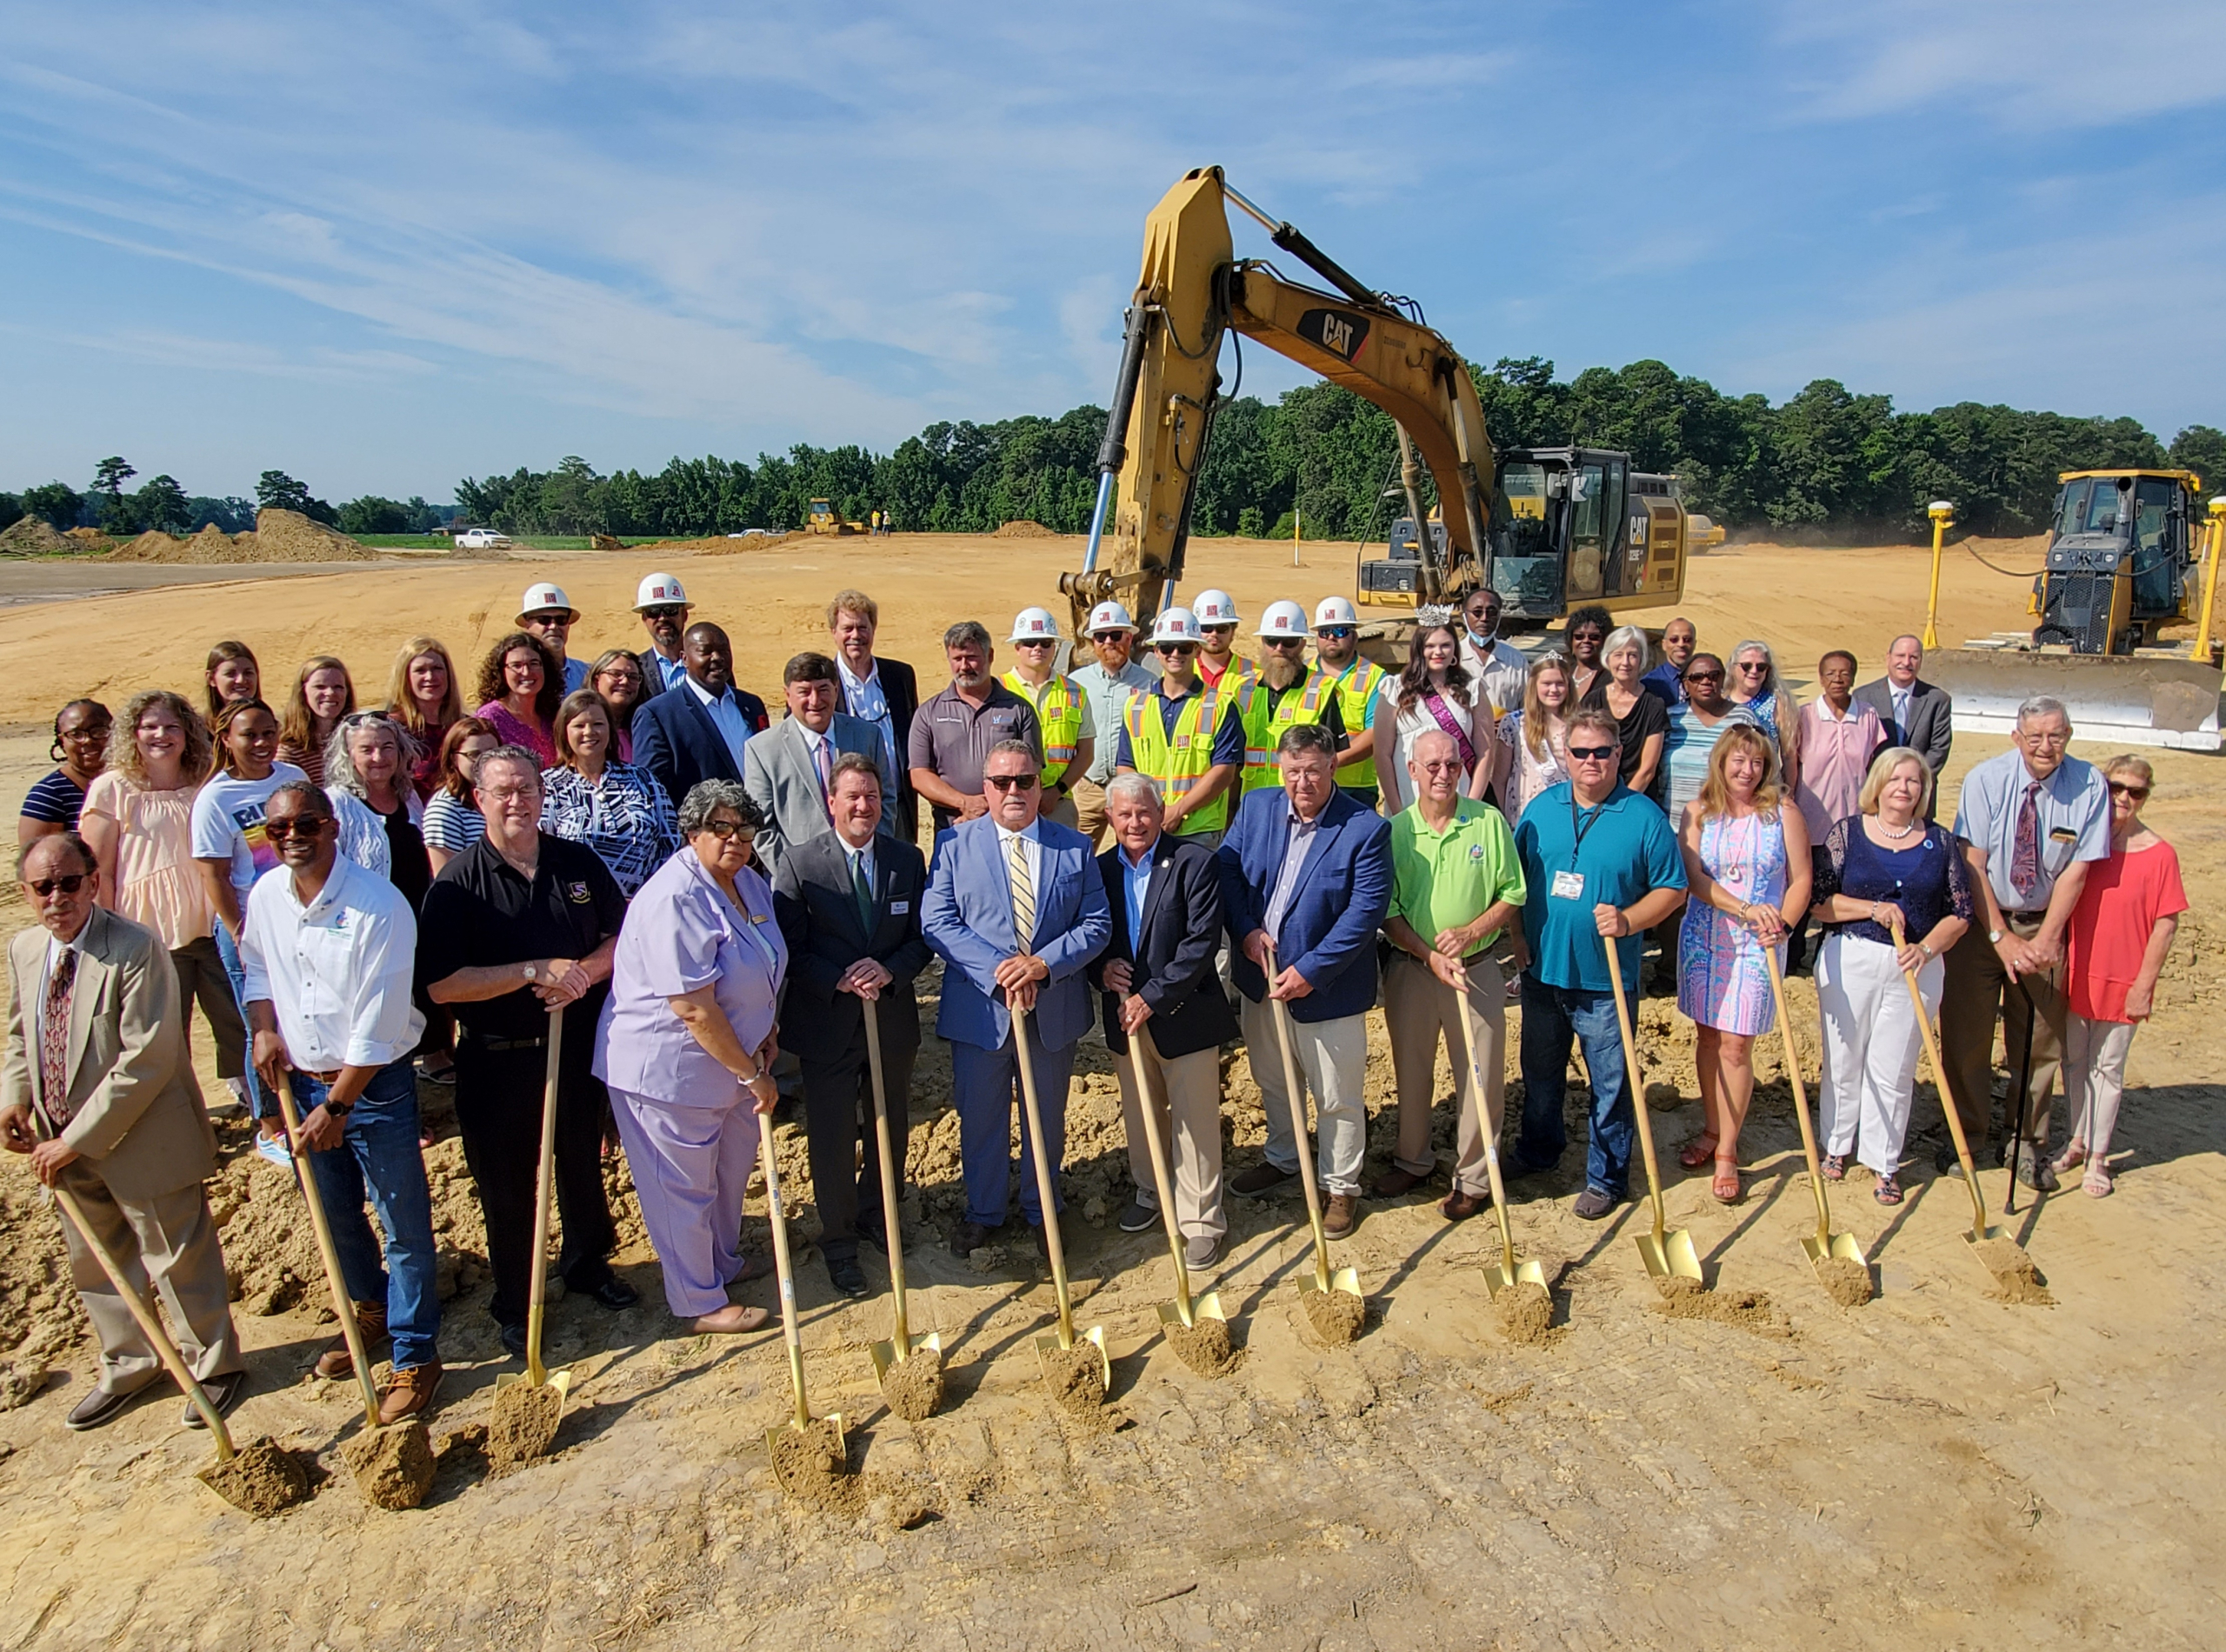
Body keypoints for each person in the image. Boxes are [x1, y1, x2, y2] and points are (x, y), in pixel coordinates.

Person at [3, 833, 247, 1432]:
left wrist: (76, 1138)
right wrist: (14, 1098)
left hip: (142, 1138)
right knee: (97, 1262)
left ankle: (213, 1366)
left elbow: (149, 1056)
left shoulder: (135, 948)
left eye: (69, 883)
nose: (57, 897)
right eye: (44, 888)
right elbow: (17, 1033)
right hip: (61, 1141)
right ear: (26, 894)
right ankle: (133, 1363)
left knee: (176, 1257)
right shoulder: (26, 949)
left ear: (93, 882)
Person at [420, 747, 636, 1361]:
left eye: (527, 790)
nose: (517, 802)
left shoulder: (576, 862)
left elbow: (622, 936)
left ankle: (588, 1265)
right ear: (480, 800)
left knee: (580, 1163)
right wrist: (527, 971)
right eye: (503, 792)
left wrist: (582, 976)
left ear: (543, 796)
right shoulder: (458, 883)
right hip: (496, 1062)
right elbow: (440, 984)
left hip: (572, 1051)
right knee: (508, 1186)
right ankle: (516, 1301)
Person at [240, 783, 441, 1421]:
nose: (291, 836)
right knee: (334, 1215)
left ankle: (416, 1356)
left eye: (305, 824)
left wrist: (340, 1105)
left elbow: (379, 1023)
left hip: (372, 1088)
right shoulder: (268, 895)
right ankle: (371, 1307)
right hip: (300, 1083)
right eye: (278, 829)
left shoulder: (379, 906)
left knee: (402, 1224)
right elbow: (258, 970)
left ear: (331, 828)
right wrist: (265, 1026)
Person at [595, 782, 785, 1333]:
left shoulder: (749, 881)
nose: (735, 840)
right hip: (669, 1070)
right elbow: (694, 1008)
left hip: (735, 1061)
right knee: (682, 1185)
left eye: (744, 829)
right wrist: (751, 1074)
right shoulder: (675, 898)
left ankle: (720, 1263)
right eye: (720, 828)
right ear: (693, 832)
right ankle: (699, 1300)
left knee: (727, 1174)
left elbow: (764, 962)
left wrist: (767, 1026)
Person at [922, 739, 1110, 1259]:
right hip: (982, 1012)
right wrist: (1000, 970)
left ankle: (1041, 1209)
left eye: (1024, 781)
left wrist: (1043, 964)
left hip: (1052, 1008)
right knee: (980, 1117)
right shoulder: (954, 847)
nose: (1013, 791)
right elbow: (937, 921)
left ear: (1039, 784)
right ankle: (983, 1210)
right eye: (1002, 782)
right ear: (985, 787)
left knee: (1046, 1118)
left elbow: (1096, 923)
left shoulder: (1073, 847)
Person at [1511, 708, 1688, 1218]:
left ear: (1618, 755)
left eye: (1602, 752)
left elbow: (1673, 888)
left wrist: (1630, 920)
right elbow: (1515, 885)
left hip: (1607, 980)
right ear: (1565, 756)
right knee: (1540, 1074)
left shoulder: (1644, 818)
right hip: (1544, 972)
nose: (1591, 761)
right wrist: (1518, 936)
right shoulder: (1542, 810)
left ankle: (1606, 1177)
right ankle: (1539, 1152)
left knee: (1610, 1083)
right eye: (1580, 752)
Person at [1219, 723, 1393, 1238]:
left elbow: (1366, 912)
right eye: (1293, 771)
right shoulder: (1255, 808)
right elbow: (1228, 872)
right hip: (1262, 979)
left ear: (1333, 767)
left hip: (1328, 991)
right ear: (1280, 769)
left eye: (1314, 771)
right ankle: (1284, 1155)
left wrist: (1311, 971)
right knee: (1274, 1079)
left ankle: (1341, 1187)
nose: (1303, 782)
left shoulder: (1364, 828)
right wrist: (1247, 932)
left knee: (1337, 1094)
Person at [772, 756, 933, 1297]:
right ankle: (838, 1239)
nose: (863, 806)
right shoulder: (799, 866)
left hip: (889, 1020)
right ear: (831, 801)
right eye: (852, 797)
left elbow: (922, 938)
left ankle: (879, 1215)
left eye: (871, 796)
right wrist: (838, 978)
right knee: (834, 1135)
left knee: (890, 1125)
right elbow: (790, 949)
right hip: (827, 1025)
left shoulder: (907, 860)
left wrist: (890, 970)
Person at [1940, 696, 2110, 1187]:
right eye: (2034, 737)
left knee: (2038, 1045)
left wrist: (2048, 938)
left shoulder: (2088, 785)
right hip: (1981, 924)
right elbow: (1973, 861)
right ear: (2016, 738)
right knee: (1966, 1038)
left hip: (2045, 925)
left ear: (2069, 736)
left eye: (2055, 736)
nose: (2045, 746)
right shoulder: (1986, 780)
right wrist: (2000, 935)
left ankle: (2025, 1141)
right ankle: (1968, 1136)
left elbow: (2078, 869)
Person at [1809, 748, 1972, 1203]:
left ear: (1924, 790)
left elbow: (1960, 913)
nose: (1904, 788)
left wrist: (1927, 947)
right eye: (1896, 779)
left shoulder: (1939, 843)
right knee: (1844, 1060)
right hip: (1852, 958)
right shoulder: (1848, 834)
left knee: (1894, 1068)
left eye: (1914, 781)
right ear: (1878, 783)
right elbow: (1820, 903)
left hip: (1914, 967)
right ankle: (1837, 1146)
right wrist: (1873, 909)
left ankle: (1883, 1161)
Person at [1091, 772, 1239, 1265]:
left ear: (1161, 813)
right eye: (1124, 814)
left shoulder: (1195, 863)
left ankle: (1201, 1219)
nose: (1135, 822)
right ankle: (1151, 1190)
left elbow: (1200, 944)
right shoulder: (1100, 872)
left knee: (1195, 1122)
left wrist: (1151, 997)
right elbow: (1092, 934)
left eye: (1144, 812)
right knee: (1141, 1114)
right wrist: (1102, 969)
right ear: (1110, 818)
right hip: (1125, 1019)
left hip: (1186, 1014)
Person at [1377, 730, 1526, 1219]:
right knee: (1412, 1070)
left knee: (1480, 1076)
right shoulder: (1397, 832)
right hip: (1413, 971)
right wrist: (1428, 953)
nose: (1443, 774)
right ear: (1412, 771)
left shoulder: (1487, 822)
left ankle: (1475, 1178)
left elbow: (1512, 891)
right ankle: (1413, 1159)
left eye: (1451, 764)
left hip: (1476, 969)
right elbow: (1390, 911)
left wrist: (1469, 933)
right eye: (1432, 766)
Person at [81, 691, 249, 1096]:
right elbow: (99, 872)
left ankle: (257, 1104)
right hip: (148, 935)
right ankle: (183, 1115)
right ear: (133, 734)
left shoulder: (204, 780)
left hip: (211, 925)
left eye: (172, 726)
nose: (162, 735)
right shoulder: (112, 789)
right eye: (150, 727)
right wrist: (107, 935)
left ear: (188, 732)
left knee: (235, 1021)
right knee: (166, 1033)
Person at [1674, 724, 1811, 1202]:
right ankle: (1711, 1129)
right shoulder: (1697, 812)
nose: (1746, 770)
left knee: (1736, 1044)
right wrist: (1742, 908)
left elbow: (1801, 880)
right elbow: (1692, 876)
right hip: (1705, 938)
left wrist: (1783, 925)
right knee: (1708, 1036)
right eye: (1738, 760)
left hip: (1760, 944)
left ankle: (1728, 1150)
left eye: (1755, 762)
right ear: (1721, 761)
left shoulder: (1782, 813)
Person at [2057, 756, 2186, 1197]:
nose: (2124, 798)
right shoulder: (2087, 842)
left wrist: (2144, 986)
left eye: (2136, 792)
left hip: (2124, 976)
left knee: (2107, 1068)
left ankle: (2098, 1157)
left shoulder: (2161, 854)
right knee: (2074, 1061)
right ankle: (2076, 1139)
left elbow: (2165, 925)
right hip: (2078, 969)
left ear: (2147, 797)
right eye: (2116, 788)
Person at [190, 698, 308, 1163]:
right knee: (257, 1022)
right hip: (247, 925)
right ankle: (269, 1123)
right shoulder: (215, 799)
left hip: (295, 916)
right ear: (226, 740)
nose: (261, 743)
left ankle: (296, 1103)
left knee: (293, 1014)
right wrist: (238, 930)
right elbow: (214, 874)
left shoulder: (288, 780)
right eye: (249, 735)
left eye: (267, 733)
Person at [744, 653, 893, 878]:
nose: (815, 701)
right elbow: (761, 827)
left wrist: (869, 858)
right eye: (804, 692)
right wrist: (797, 875)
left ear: (836, 689)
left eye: (823, 689)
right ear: (787, 695)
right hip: (803, 885)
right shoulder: (763, 749)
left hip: (866, 873)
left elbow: (887, 800)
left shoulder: (867, 736)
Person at [1788, 651, 1884, 969]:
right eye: (1831, 673)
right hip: (1813, 821)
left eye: (1844, 673)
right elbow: (1793, 767)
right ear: (1820, 677)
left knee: (1844, 891)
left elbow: (1872, 765)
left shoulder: (1868, 717)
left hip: (1854, 824)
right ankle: (1793, 955)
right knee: (1805, 889)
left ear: (1854, 677)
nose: (1837, 679)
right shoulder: (1804, 717)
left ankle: (1833, 953)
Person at [1115, 607, 1244, 845]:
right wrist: (1150, 812)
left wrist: (1178, 810)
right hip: (1148, 828)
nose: (1175, 654)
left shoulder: (1220, 705)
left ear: (1197, 650)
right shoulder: (1135, 706)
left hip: (1200, 831)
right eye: (1167, 647)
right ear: (1156, 651)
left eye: (1184, 647)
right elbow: (1125, 766)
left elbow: (1224, 772)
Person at [540, 689, 679, 899]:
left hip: (645, 904)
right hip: (577, 907)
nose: (589, 732)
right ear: (564, 732)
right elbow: (540, 850)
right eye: (579, 725)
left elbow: (672, 840)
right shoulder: (548, 786)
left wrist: (648, 895)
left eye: (598, 724)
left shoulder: (643, 779)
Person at [909, 621, 1043, 836]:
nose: (964, 666)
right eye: (957, 659)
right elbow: (919, 775)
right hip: (953, 828)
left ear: (990, 656)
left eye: (971, 658)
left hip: (1008, 828)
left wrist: (991, 809)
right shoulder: (928, 713)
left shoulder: (1019, 710)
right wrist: (964, 804)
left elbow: (1031, 774)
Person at [630, 623, 771, 808]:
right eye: (706, 652)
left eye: (724, 650)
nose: (718, 658)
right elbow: (654, 791)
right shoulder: (658, 715)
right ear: (685, 659)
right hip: (704, 830)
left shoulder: (751, 704)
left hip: (759, 825)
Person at [828, 590, 923, 843]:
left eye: (863, 627)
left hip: (898, 808)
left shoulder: (900, 676)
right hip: (850, 811)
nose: (855, 635)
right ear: (833, 632)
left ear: (873, 630)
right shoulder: (823, 683)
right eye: (847, 628)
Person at [1233, 599, 1346, 797]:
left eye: (1289, 642)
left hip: (1299, 803)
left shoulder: (1322, 689)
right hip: (1251, 802)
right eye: (1271, 640)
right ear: (1262, 641)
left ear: (1302, 643)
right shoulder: (1242, 689)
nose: (1279, 648)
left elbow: (1331, 758)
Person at [1377, 623, 1493, 816]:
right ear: (1418, 649)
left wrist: (1471, 805)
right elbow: (1382, 755)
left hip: (1459, 798)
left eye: (1445, 645)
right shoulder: (1394, 689)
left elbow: (1486, 754)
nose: (1438, 652)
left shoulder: (1472, 689)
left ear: (1455, 648)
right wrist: (1398, 811)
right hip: (1407, 800)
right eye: (1430, 646)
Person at [1068, 599, 1156, 849]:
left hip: (1130, 791)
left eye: (1116, 635)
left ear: (1129, 638)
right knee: (1078, 854)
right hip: (1088, 788)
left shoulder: (1149, 684)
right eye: (1101, 636)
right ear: (1092, 642)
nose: (1109, 642)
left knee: (1134, 852)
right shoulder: (1076, 683)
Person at [1000, 608, 1095, 829]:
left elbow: (1086, 752)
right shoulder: (999, 691)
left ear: (1055, 647)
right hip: (1010, 800)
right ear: (1017, 647)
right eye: (1030, 642)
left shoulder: (1075, 693)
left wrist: (1056, 791)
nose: (1038, 649)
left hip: (1058, 804)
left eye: (1045, 643)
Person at [325, 712, 429, 900]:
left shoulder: (409, 796)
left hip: (416, 919)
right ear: (349, 755)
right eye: (367, 750)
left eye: (387, 747)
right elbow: (327, 871)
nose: (378, 757)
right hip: (367, 921)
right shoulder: (336, 803)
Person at [1657, 655, 1758, 826]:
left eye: (1713, 676)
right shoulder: (1670, 718)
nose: (1705, 681)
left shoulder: (1743, 718)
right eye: (1696, 677)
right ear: (1685, 684)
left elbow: (1761, 768)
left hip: (1726, 825)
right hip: (1673, 825)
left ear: (1723, 680)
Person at [1855, 635, 1953, 809]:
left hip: (1919, 796)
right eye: (1900, 656)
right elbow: (1859, 748)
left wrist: (1912, 780)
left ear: (1921, 661)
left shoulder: (1937, 699)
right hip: (1875, 794)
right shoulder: (1863, 697)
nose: (1906, 662)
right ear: (1888, 657)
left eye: (1914, 657)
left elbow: (1939, 749)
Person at [1310, 596, 1388, 807]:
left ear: (1354, 636)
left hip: (1355, 791)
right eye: (1325, 631)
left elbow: (1374, 734)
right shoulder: (1301, 675)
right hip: (1308, 786)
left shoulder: (1375, 677)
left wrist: (1329, 763)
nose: (1332, 637)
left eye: (1340, 631)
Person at [1580, 625, 1668, 796]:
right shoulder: (1592, 701)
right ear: (1608, 659)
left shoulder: (1653, 705)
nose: (1625, 663)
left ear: (1641, 660)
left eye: (1632, 655)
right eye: (1618, 655)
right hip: (1596, 796)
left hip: (1636, 797)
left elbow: (1647, 769)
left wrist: (1624, 804)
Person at [19, 699, 111, 845]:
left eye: (99, 731)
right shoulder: (49, 795)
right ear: (62, 741)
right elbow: (35, 862)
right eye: (76, 734)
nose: (87, 740)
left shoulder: (137, 784)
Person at [383, 636, 463, 801]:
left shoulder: (464, 727)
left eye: (437, 668)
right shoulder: (392, 729)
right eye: (420, 670)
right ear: (405, 677)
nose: (430, 676)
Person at [1496, 655, 1573, 823]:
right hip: (1524, 812)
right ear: (1534, 685)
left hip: (1567, 811)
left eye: (1560, 683)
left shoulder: (1579, 724)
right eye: (1546, 684)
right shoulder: (1514, 724)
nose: (1554, 690)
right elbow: (1499, 779)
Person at [474, 631, 563, 768]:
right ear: (502, 672)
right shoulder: (489, 718)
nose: (526, 672)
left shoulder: (552, 715)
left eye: (534, 663)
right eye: (516, 665)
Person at [423, 716, 499, 874]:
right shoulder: (444, 810)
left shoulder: (504, 799)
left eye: (492, 753)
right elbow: (447, 879)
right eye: (474, 754)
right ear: (453, 758)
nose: (484, 761)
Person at [1728, 639, 1800, 790]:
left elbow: (1789, 755)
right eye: (1746, 666)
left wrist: (1789, 791)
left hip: (1766, 789)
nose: (1754, 671)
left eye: (1761, 667)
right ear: (1733, 668)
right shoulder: (1721, 700)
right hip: (1728, 789)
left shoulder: (1778, 703)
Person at [275, 656, 356, 785]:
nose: (330, 692)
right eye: (320, 686)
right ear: (303, 692)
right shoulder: (289, 752)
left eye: (338, 687)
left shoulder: (356, 741)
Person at [1456, 586, 1530, 718]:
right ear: (1464, 617)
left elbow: (1530, 708)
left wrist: (1510, 719)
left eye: (1492, 612)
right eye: (1477, 612)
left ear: (1499, 617)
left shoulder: (1517, 661)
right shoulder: (1452, 658)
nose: (1484, 618)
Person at [517, 582, 590, 694]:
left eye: (561, 620)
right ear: (528, 624)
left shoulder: (587, 674)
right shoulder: (520, 678)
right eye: (544, 620)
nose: (553, 626)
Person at [632, 571, 693, 693]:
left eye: (670, 610)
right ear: (644, 619)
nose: (663, 618)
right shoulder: (636, 670)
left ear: (684, 615)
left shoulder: (706, 663)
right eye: (653, 611)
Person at [587, 649, 650, 762]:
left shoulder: (645, 728)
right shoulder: (582, 727)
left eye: (633, 677)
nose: (625, 681)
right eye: (616, 674)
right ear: (597, 680)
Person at [1190, 590, 1253, 691]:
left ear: (1232, 631)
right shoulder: (1180, 670)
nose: (1214, 634)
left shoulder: (1256, 674)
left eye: (1222, 628)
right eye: (1206, 628)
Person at [1642, 617, 1698, 707]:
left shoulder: (1705, 680)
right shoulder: (1650, 684)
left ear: (1695, 644)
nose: (1681, 644)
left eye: (1687, 639)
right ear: (1664, 645)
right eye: (1674, 639)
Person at [203, 640, 260, 727]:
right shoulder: (198, 732)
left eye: (248, 673)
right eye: (230, 674)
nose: (241, 680)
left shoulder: (275, 729)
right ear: (211, 678)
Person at [1563, 605, 1611, 701]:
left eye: (1594, 637)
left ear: (1605, 640)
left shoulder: (1610, 677)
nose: (1586, 641)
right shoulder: (1564, 671)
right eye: (1579, 636)